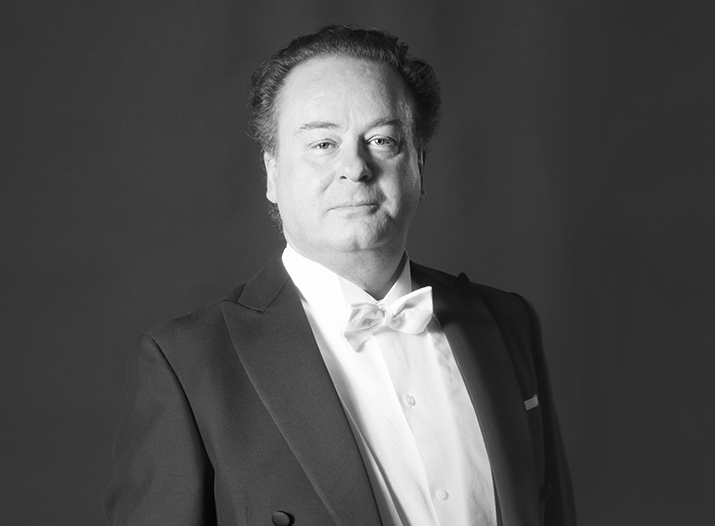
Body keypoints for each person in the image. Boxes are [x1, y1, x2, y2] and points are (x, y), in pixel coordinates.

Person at [105, 25, 576, 526]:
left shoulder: (505, 321)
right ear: (272, 173)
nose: (355, 167)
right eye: (323, 143)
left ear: (419, 165)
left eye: (382, 140)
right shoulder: (186, 365)